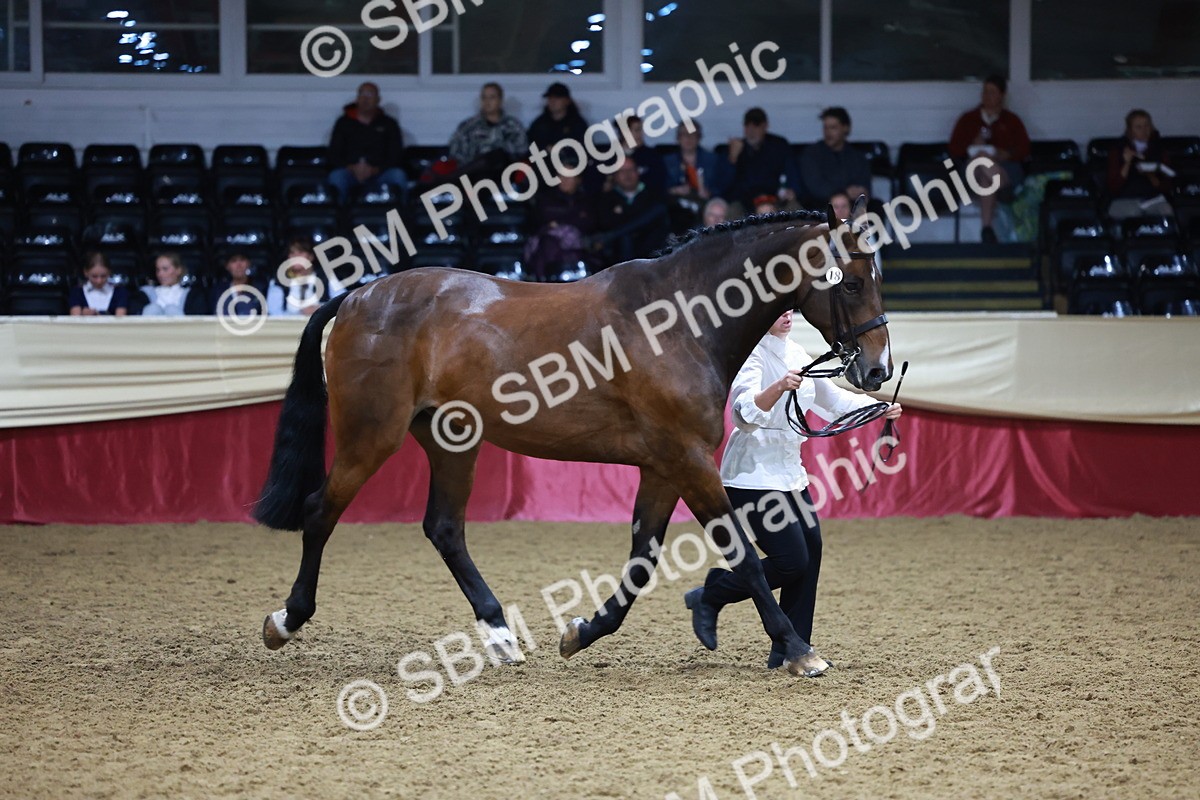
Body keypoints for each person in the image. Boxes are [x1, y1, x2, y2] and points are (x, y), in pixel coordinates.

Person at [684, 309, 902, 670]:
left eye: (790, 310)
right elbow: (741, 414)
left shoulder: (798, 353)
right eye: (778, 310)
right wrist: (778, 387)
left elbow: (834, 404)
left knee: (811, 552)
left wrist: (878, 409)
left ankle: (792, 649)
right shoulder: (750, 353)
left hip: (789, 474)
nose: (787, 316)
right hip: (750, 477)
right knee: (791, 561)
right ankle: (713, 593)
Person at [949, 75, 1031, 243]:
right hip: (973, 169)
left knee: (986, 183)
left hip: (1004, 171)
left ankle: (986, 229)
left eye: (992, 92)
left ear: (1001, 95)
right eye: (984, 92)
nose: (987, 96)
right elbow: (954, 148)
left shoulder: (1012, 121)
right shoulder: (968, 119)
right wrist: (973, 145)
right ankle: (996, 212)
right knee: (981, 158)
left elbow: (1024, 149)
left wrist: (1004, 154)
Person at [328, 82, 409, 204]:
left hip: (380, 173)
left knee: (398, 176)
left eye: (370, 94)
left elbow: (396, 155)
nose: (365, 98)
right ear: (357, 98)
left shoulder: (389, 124)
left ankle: (401, 219)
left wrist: (374, 170)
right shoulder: (343, 123)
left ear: (378, 99)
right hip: (350, 173)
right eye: (362, 94)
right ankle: (339, 220)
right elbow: (334, 153)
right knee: (337, 177)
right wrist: (352, 168)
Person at [525, 160, 599, 281]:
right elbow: (535, 223)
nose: (565, 180)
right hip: (547, 245)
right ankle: (545, 283)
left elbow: (591, 223)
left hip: (580, 246)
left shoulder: (587, 200)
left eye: (569, 176)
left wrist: (560, 224)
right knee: (549, 243)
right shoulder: (545, 199)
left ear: (578, 179)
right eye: (561, 176)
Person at [726, 107, 802, 214]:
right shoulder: (737, 148)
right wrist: (732, 159)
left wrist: (793, 190)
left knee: (795, 209)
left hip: (777, 199)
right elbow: (725, 188)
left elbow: (792, 173)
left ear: (765, 126)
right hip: (747, 203)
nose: (751, 131)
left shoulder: (779, 145)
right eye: (748, 126)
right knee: (733, 209)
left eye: (756, 126)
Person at [593, 156, 670, 263]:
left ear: (638, 171)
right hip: (617, 263)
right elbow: (605, 223)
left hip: (653, 260)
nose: (627, 175)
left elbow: (658, 225)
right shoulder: (606, 199)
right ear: (614, 175)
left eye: (631, 170)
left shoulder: (655, 195)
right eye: (622, 171)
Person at [448, 82, 528, 179]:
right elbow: (455, 149)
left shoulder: (513, 125)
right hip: (474, 174)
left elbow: (522, 150)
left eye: (492, 97)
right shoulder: (469, 126)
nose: (487, 102)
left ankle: (448, 180)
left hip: (503, 174)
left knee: (497, 155)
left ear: (500, 101)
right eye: (484, 98)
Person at [1107, 109, 1175, 220]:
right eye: (1138, 127)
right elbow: (1113, 187)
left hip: (1153, 198)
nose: (1144, 131)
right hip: (1125, 199)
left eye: (1147, 126)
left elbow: (1167, 185)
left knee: (1166, 211)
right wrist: (1127, 162)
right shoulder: (1118, 150)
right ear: (1130, 130)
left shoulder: (1159, 150)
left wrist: (1150, 175)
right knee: (1131, 215)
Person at [799, 107, 872, 207]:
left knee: (874, 206)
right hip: (821, 203)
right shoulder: (811, 154)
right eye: (825, 128)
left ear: (845, 128)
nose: (828, 132)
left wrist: (861, 193)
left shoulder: (857, 157)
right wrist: (845, 191)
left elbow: (864, 187)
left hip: (850, 205)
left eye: (833, 128)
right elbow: (816, 188)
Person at [267, 238, 345, 317]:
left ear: (311, 256)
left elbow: (343, 303)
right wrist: (299, 314)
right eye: (292, 253)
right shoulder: (279, 282)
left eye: (301, 252)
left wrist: (320, 309)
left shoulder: (327, 278)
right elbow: (274, 314)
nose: (296, 257)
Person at [135, 252, 206, 316]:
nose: (160, 274)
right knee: (152, 309)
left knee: (172, 310)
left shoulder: (193, 295)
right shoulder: (146, 293)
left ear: (178, 270)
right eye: (158, 270)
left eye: (165, 269)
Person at [527, 82, 588, 152]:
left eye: (557, 98)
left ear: (567, 101)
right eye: (550, 98)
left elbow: (584, 149)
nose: (553, 101)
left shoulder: (577, 124)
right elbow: (531, 146)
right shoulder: (539, 124)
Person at [621, 115, 667, 199]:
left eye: (641, 130)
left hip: (645, 202)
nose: (641, 134)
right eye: (637, 130)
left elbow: (658, 184)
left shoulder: (652, 156)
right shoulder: (610, 156)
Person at [69, 252, 128, 316]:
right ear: (86, 272)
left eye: (103, 276)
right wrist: (82, 314)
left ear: (109, 272)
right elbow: (75, 318)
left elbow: (121, 319)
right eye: (94, 276)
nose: (99, 281)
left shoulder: (120, 292)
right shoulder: (77, 292)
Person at [209, 252, 266, 317]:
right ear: (227, 266)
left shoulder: (260, 288)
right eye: (234, 261)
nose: (239, 265)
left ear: (248, 263)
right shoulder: (218, 290)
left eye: (242, 260)